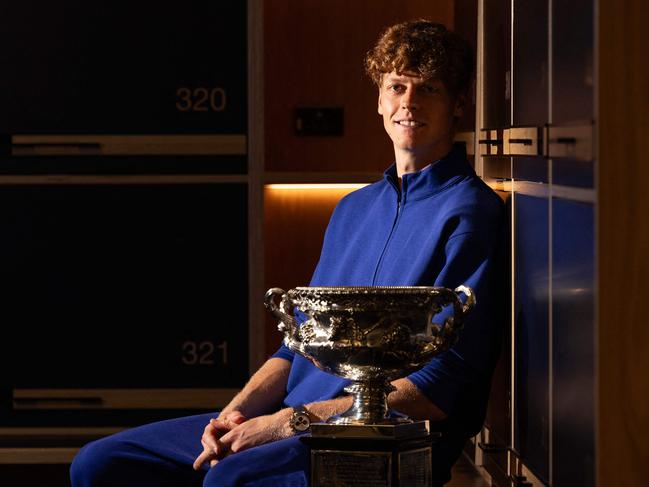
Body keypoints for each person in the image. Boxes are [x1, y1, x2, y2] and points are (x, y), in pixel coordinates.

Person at [70, 20, 505, 486]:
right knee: (100, 464)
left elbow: (441, 387)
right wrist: (235, 415)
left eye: (430, 89)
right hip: (294, 418)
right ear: (379, 100)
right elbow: (297, 345)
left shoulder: (471, 212)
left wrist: (287, 424)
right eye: (396, 86)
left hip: (378, 435)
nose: (409, 103)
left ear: (459, 104)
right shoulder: (353, 209)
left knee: (229, 479)